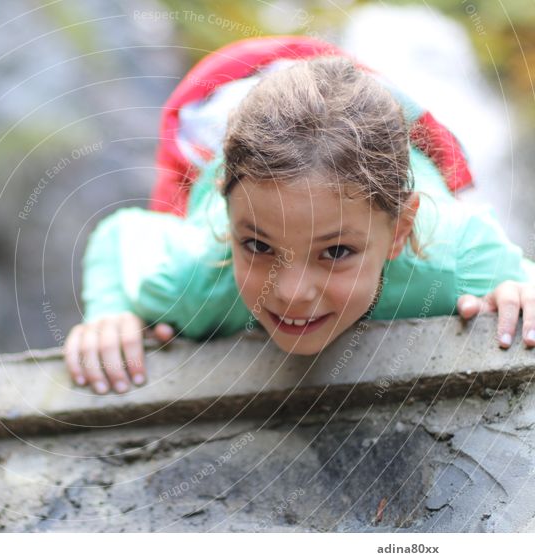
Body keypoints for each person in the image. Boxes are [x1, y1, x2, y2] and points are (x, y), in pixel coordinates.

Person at [64, 45, 535, 396]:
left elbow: (518, 286)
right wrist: (112, 313)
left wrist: (519, 286)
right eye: (259, 246)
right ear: (227, 224)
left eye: (335, 252)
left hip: (384, 143)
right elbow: (120, 234)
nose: (290, 292)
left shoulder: (459, 257)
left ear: (399, 232)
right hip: (235, 102)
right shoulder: (195, 275)